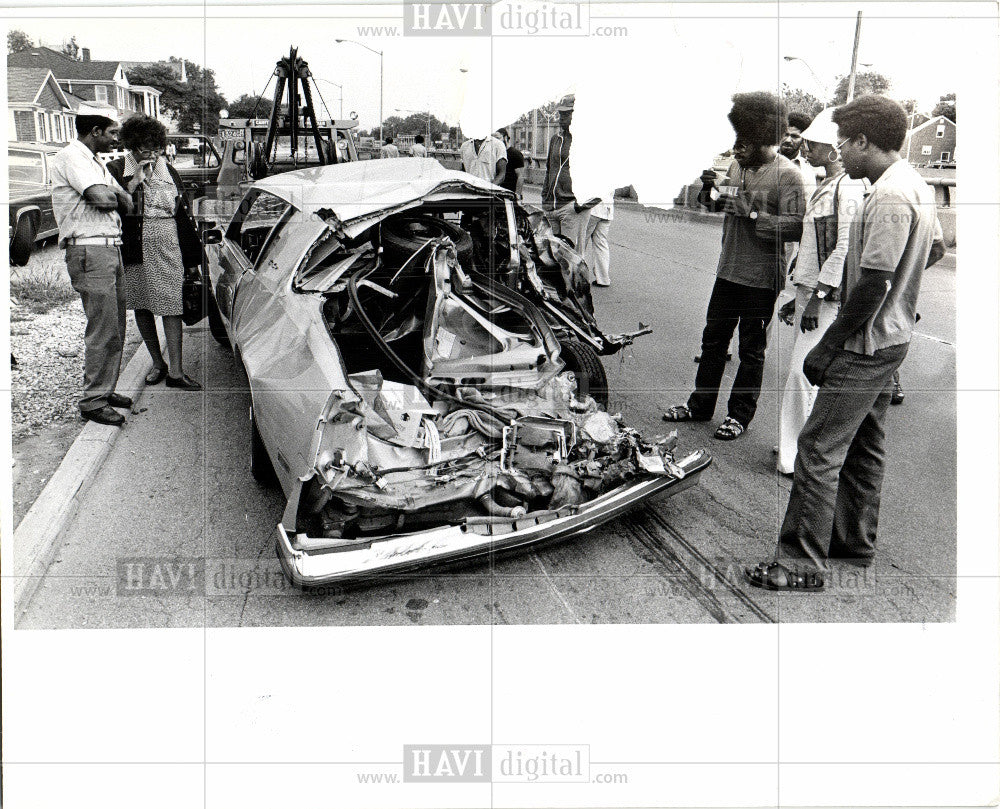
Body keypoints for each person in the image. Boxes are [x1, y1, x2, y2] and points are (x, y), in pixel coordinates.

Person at [745, 95, 946, 591]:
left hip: (864, 345)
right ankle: (852, 544)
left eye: (842, 142)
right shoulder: (913, 184)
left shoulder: (889, 196)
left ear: (862, 141)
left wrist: (828, 347)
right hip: (891, 340)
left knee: (817, 447)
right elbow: (936, 248)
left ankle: (799, 564)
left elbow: (873, 283)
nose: (838, 152)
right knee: (865, 447)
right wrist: (906, 291)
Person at [663, 92, 806, 440]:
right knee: (713, 342)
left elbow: (798, 225)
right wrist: (708, 192)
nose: (737, 148)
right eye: (735, 140)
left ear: (763, 139)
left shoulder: (788, 176)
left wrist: (754, 213)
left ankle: (739, 416)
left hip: (761, 278)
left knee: (750, 351)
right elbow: (717, 206)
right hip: (727, 271)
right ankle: (700, 407)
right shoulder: (734, 166)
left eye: (744, 142)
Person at [773, 107, 868, 474]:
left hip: (824, 297)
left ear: (832, 150)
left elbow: (844, 247)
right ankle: (792, 447)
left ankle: (796, 455)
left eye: (813, 144)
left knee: (803, 373)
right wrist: (797, 292)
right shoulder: (828, 185)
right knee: (803, 373)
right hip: (808, 290)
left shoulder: (848, 187)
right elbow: (813, 244)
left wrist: (818, 297)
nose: (806, 149)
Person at [49, 113, 135, 427]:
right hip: (89, 247)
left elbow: (127, 201)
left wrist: (117, 196)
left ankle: (103, 389)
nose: (117, 139)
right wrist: (116, 196)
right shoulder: (72, 157)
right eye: (112, 133)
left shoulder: (94, 161)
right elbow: (102, 198)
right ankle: (93, 402)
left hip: (109, 246)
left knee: (115, 326)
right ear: (95, 131)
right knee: (103, 326)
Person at [107, 114, 203, 391]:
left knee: (171, 304)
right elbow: (112, 209)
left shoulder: (168, 169)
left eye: (156, 148)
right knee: (142, 304)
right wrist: (134, 182)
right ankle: (157, 362)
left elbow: (182, 214)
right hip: (135, 244)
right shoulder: (116, 169)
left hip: (168, 241)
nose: (151, 154)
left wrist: (191, 257)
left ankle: (176, 370)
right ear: (131, 147)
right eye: (144, 149)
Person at [541, 94, 596, 252]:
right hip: (552, 207)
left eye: (566, 114)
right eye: (560, 114)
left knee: (571, 258)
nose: (561, 118)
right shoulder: (555, 139)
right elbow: (549, 170)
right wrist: (545, 196)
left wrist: (583, 205)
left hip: (572, 207)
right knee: (551, 256)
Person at [780, 111, 819, 197]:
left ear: (803, 140)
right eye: (785, 135)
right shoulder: (766, 161)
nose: (788, 140)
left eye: (794, 136)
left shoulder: (807, 172)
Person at [584, 195, 614, 286]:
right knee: (601, 244)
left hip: (592, 209)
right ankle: (603, 279)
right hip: (607, 210)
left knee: (581, 242)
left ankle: (575, 275)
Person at [497, 127, 525, 198]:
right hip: (497, 193)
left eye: (498, 138)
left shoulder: (515, 154)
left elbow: (520, 176)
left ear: (505, 138)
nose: (496, 142)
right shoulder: (495, 154)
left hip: (510, 194)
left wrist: (517, 195)